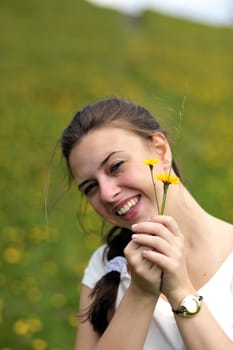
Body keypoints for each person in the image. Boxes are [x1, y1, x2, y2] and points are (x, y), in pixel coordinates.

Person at [60, 98, 233, 350]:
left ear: (160, 151)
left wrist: (180, 292)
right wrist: (140, 293)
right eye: (91, 187)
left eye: (116, 166)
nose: (107, 194)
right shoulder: (105, 265)